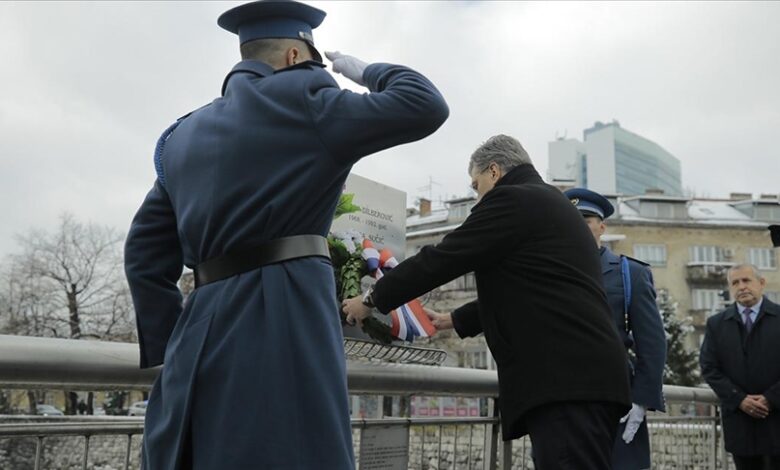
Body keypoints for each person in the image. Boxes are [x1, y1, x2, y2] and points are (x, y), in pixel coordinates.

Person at [123, 0, 449, 468]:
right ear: (296, 57)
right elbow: (425, 104)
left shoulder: (183, 136)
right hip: (288, 313)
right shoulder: (307, 101)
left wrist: (174, 342)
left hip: (199, 328)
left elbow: (144, 254)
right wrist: (363, 70)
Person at [343, 135, 631, 470]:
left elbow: (444, 257)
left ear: (494, 171)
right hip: (584, 378)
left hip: (567, 384)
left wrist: (372, 298)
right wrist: (456, 319)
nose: (477, 197)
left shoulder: (514, 199)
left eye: (476, 185)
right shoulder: (550, 205)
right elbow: (536, 289)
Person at [564, 188, 667, 470]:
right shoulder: (550, 271)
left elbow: (652, 342)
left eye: (585, 219)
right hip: (562, 398)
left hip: (616, 399)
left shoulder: (629, 272)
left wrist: (642, 400)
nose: (578, 226)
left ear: (601, 226)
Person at [700, 264, 780, 470]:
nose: (741, 286)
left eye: (746, 280)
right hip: (740, 424)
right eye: (735, 283)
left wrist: (770, 398)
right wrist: (740, 399)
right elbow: (709, 367)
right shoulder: (716, 324)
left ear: (761, 283)